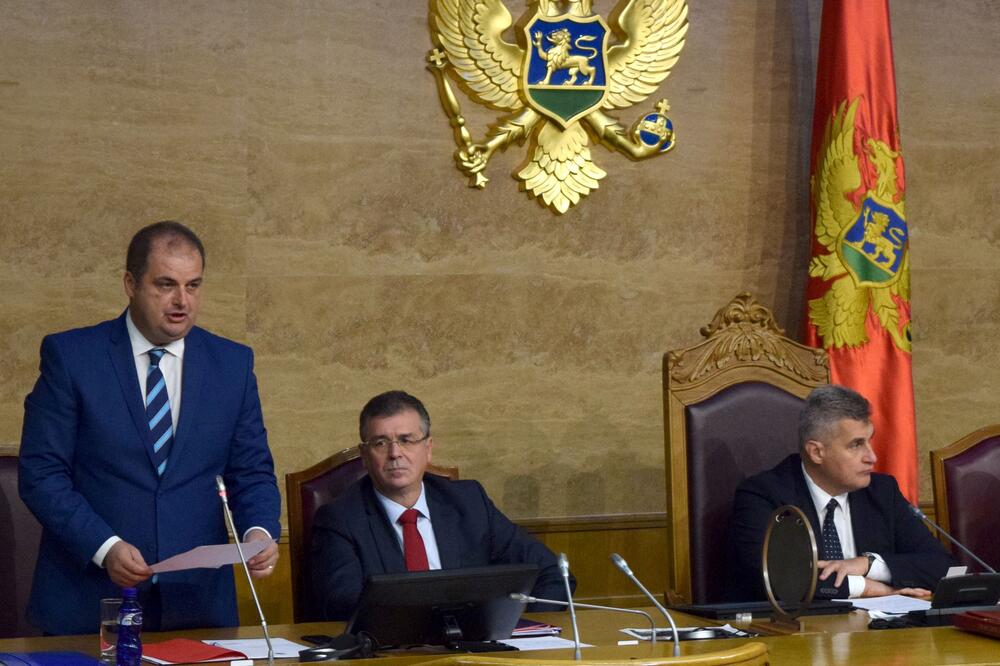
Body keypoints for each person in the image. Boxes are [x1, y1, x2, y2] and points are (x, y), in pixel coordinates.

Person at [18, 221, 281, 635]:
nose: (182, 302)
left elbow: (251, 471)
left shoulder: (232, 365)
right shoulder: (72, 358)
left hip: (197, 608)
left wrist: (259, 533)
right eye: (165, 285)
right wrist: (105, 547)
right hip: (90, 604)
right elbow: (41, 475)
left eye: (193, 286)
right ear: (130, 283)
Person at [310, 390, 573, 620]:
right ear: (365, 456)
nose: (395, 453)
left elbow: (552, 573)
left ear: (428, 448)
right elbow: (341, 604)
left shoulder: (469, 502)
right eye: (380, 443)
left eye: (406, 439)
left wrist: (519, 625)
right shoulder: (339, 519)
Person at [727, 384, 954, 601]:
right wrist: (868, 588)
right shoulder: (764, 495)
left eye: (869, 441)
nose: (871, 457)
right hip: (796, 634)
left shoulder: (882, 492)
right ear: (816, 452)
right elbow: (779, 577)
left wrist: (868, 565)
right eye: (856, 445)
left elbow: (945, 567)